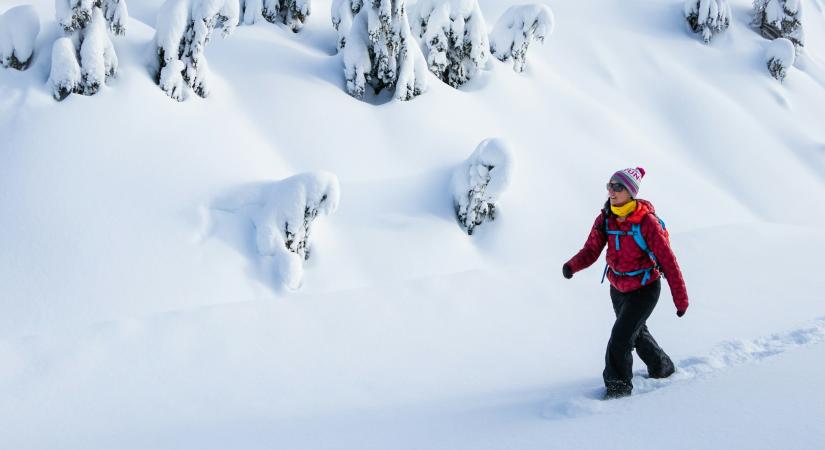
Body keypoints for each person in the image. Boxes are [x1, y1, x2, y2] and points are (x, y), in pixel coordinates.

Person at [562, 167, 688, 400]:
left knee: (620, 338)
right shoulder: (606, 218)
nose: (611, 190)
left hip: (645, 289)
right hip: (618, 288)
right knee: (636, 333)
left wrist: (680, 300)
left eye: (618, 186)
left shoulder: (646, 222)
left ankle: (618, 389)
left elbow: (668, 261)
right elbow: (591, 250)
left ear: (631, 191)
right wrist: (572, 266)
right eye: (609, 185)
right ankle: (663, 367)